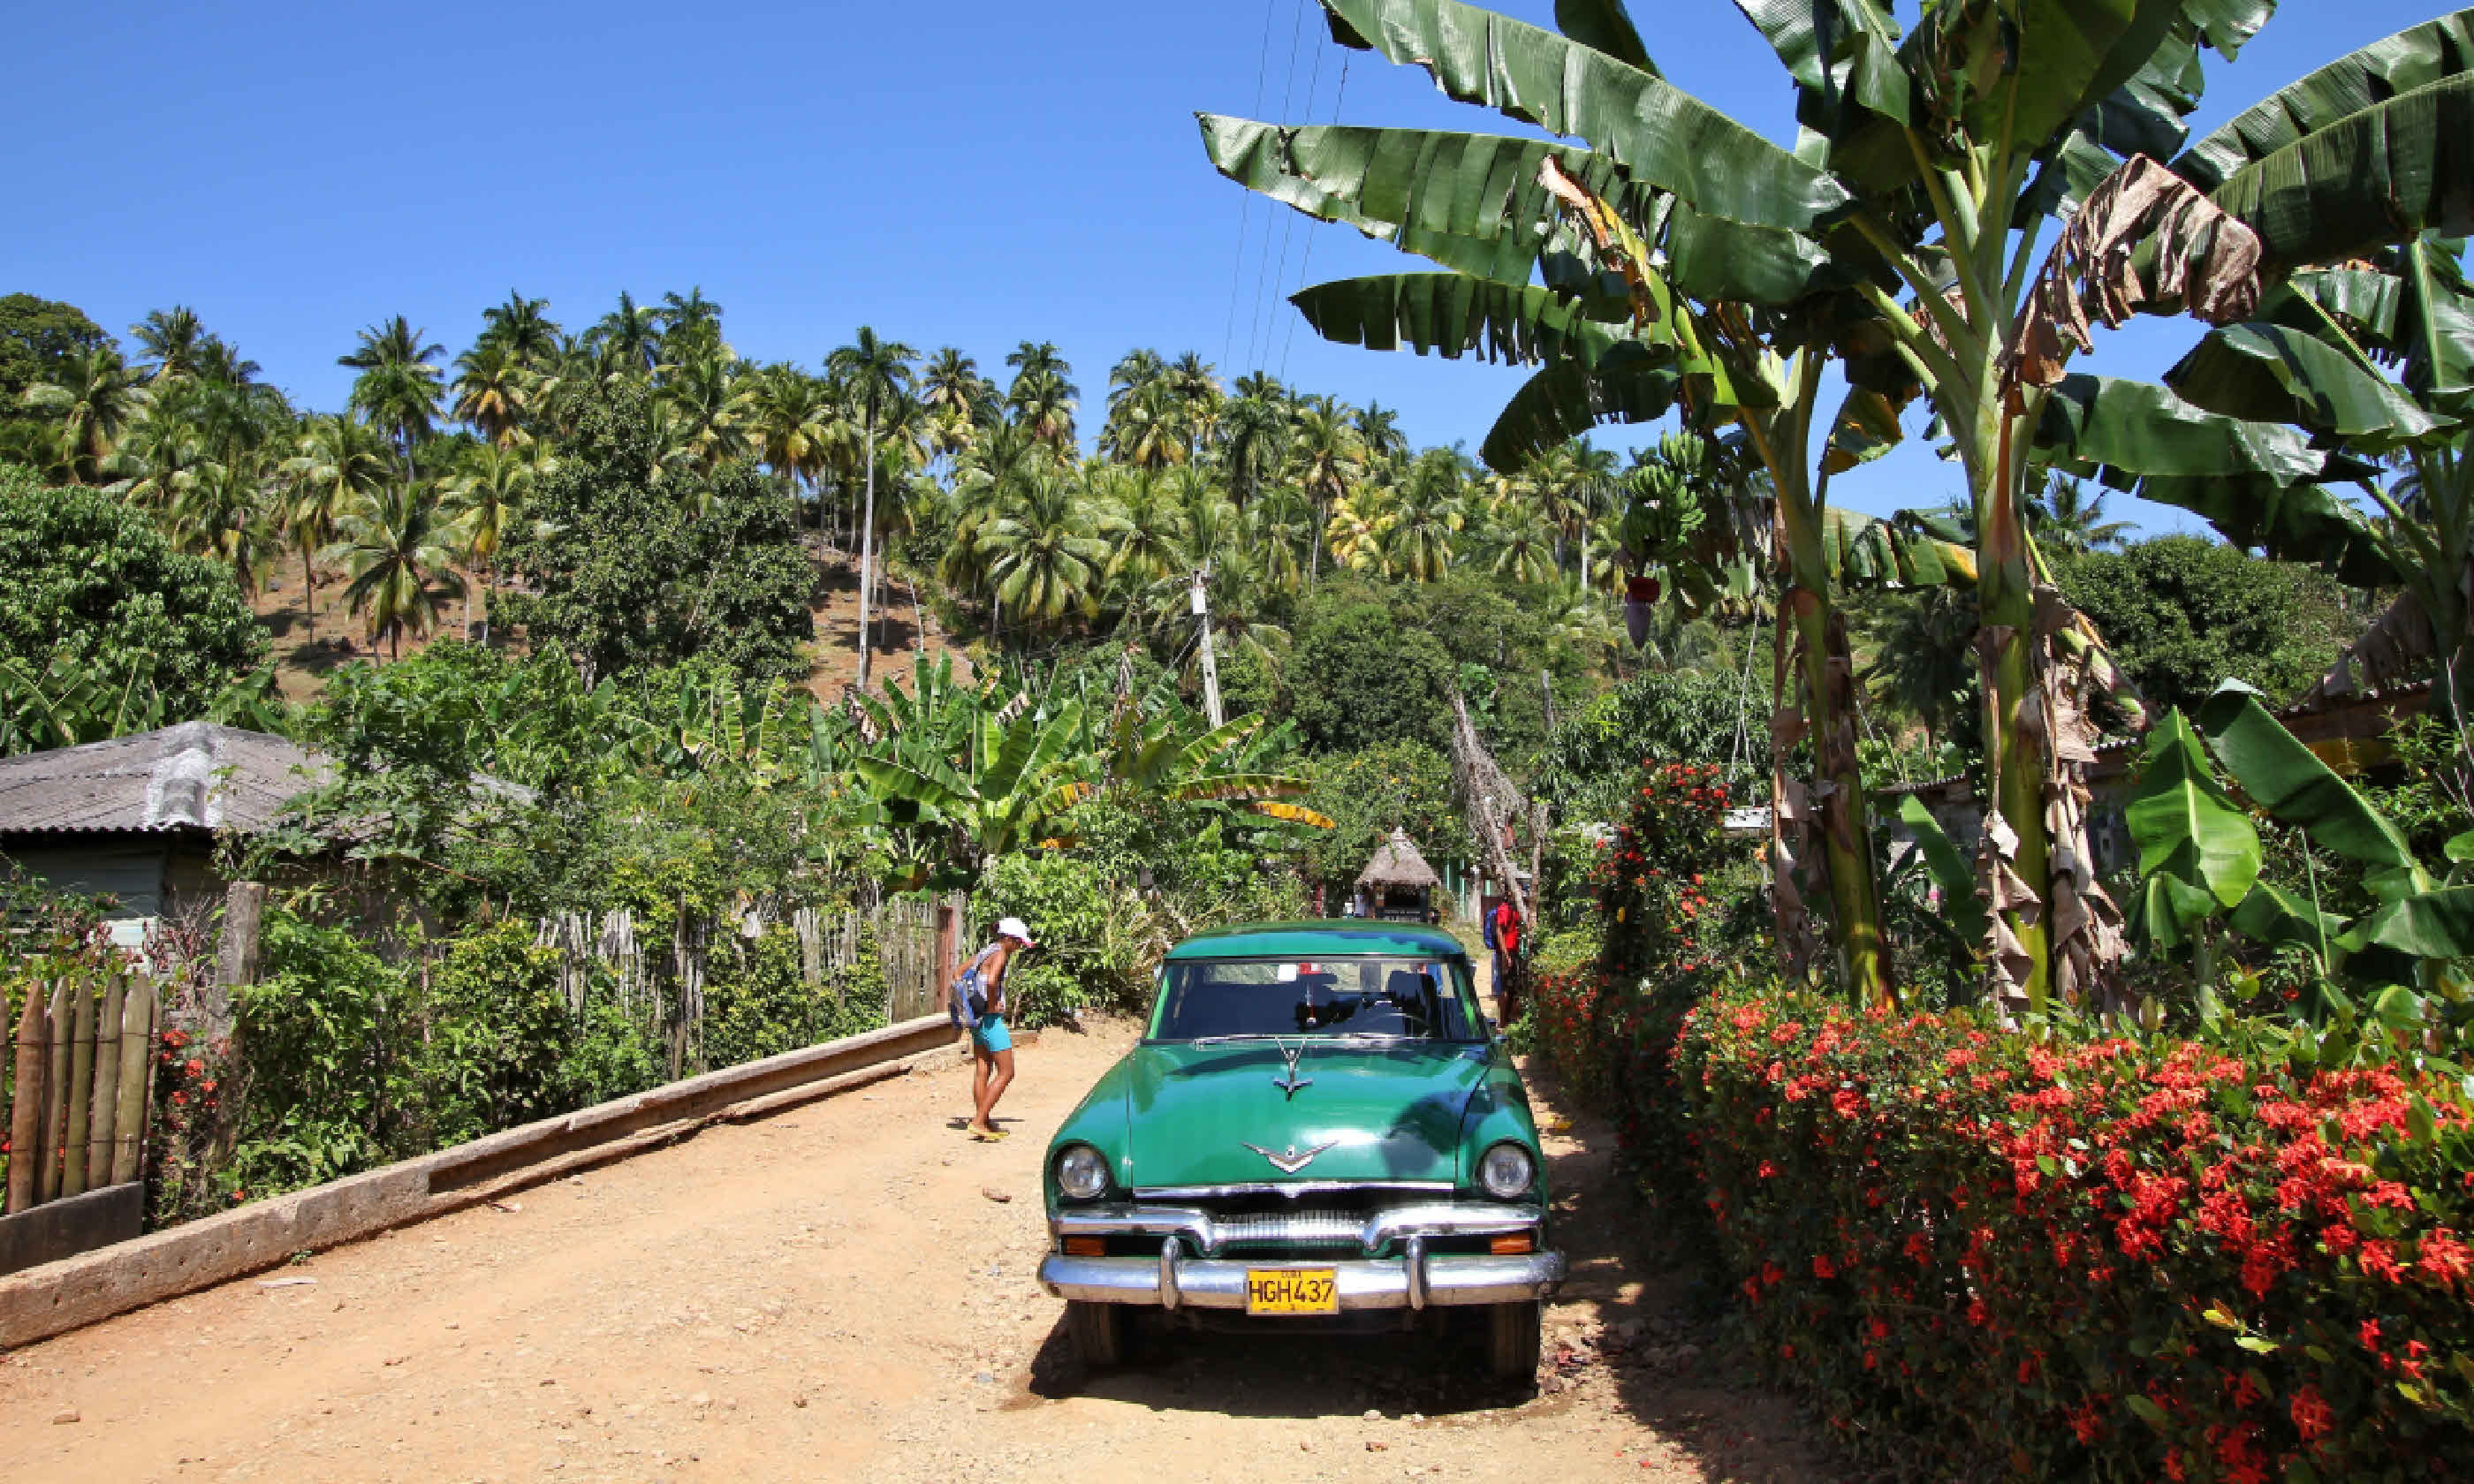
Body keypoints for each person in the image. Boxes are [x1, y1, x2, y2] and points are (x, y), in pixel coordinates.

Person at [954, 916, 1035, 1140]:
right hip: (990, 1021)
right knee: (1007, 1072)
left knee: (982, 1071)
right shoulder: (1000, 954)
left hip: (976, 1021)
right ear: (1008, 939)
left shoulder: (985, 952)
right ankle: (979, 1121)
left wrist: (970, 1002)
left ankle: (985, 1120)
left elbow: (958, 973)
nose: (1018, 947)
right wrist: (991, 1004)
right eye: (1017, 942)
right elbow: (991, 982)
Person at [1488, 898, 1523, 1020]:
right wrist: (1506, 955)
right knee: (1505, 989)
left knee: (1513, 988)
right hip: (1505, 954)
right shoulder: (1505, 909)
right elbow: (1499, 931)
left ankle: (1508, 1020)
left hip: (1512, 953)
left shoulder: (1515, 909)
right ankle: (1503, 1023)